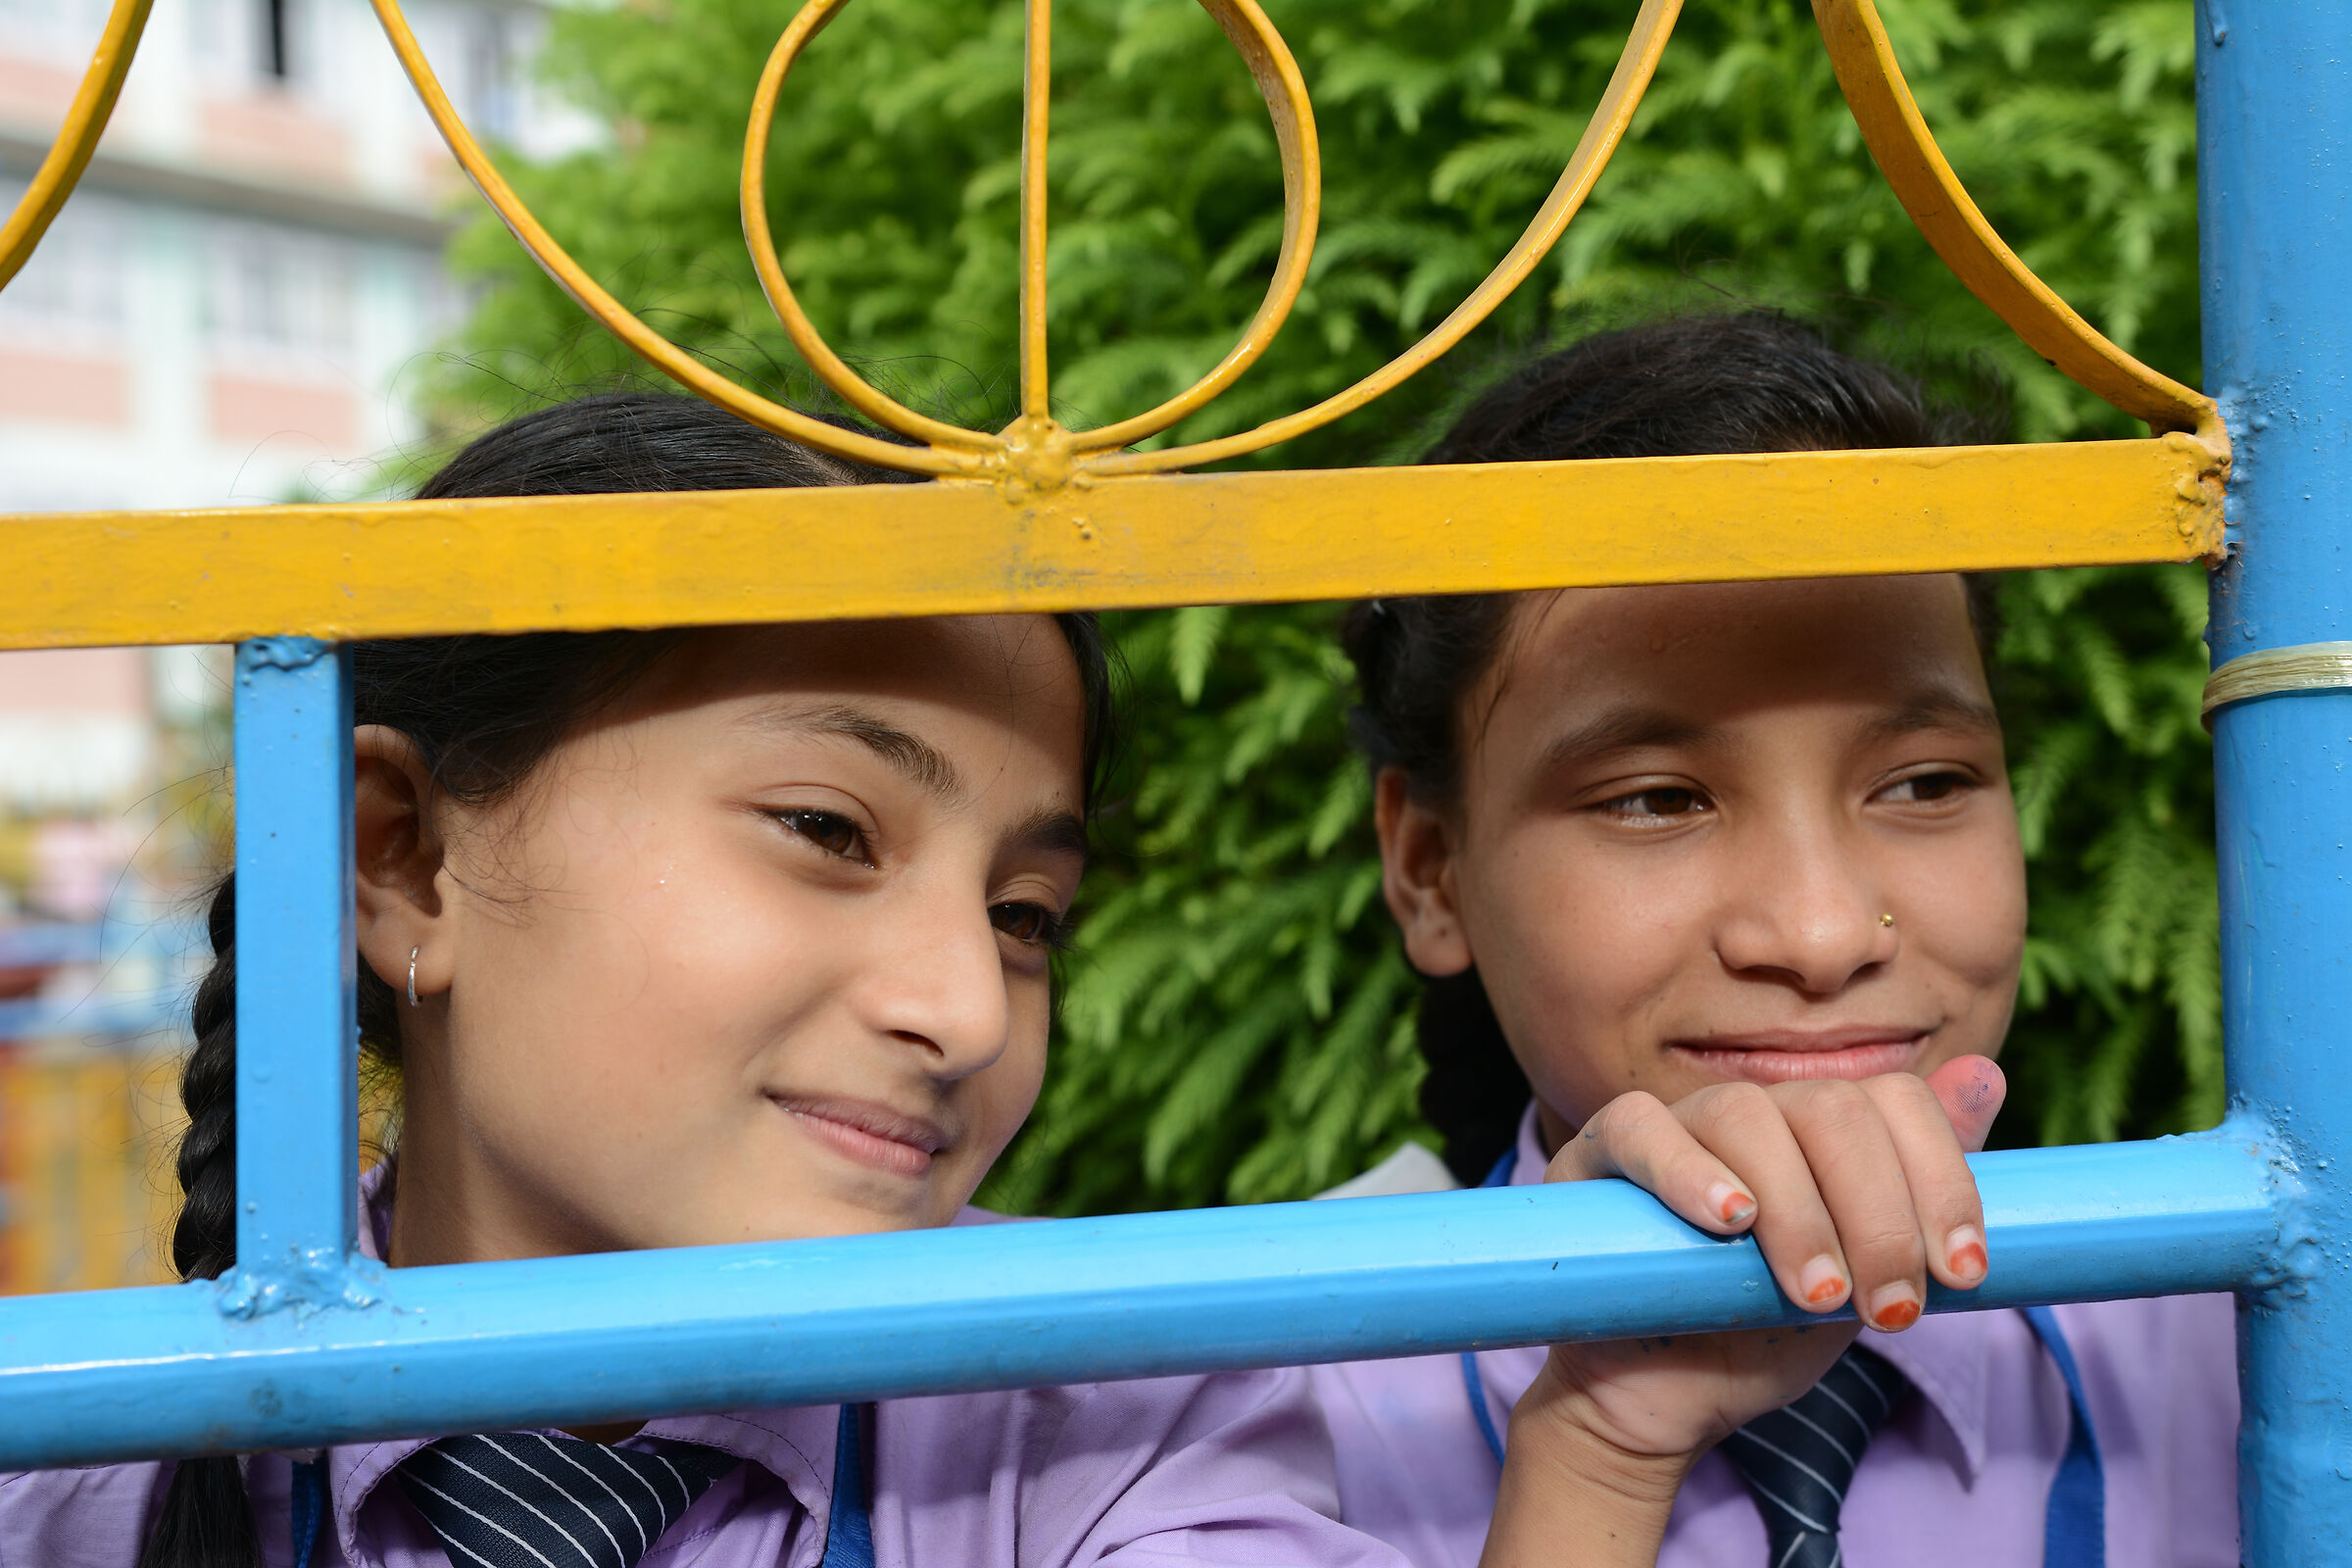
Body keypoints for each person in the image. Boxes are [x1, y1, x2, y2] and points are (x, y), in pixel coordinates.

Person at [0, 389, 1984, 1568]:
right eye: (829, 829)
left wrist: (1600, 1448)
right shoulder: (67, 1479)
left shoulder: (1121, 1427)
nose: (963, 1009)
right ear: (403, 858)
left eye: (1027, 914)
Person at [1313, 315, 2239, 1567]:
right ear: (1430, 870)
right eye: (1656, 799)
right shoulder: (1256, 1411)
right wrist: (1600, 1452)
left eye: (1924, 782)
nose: (1822, 934)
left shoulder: (2253, 1340)